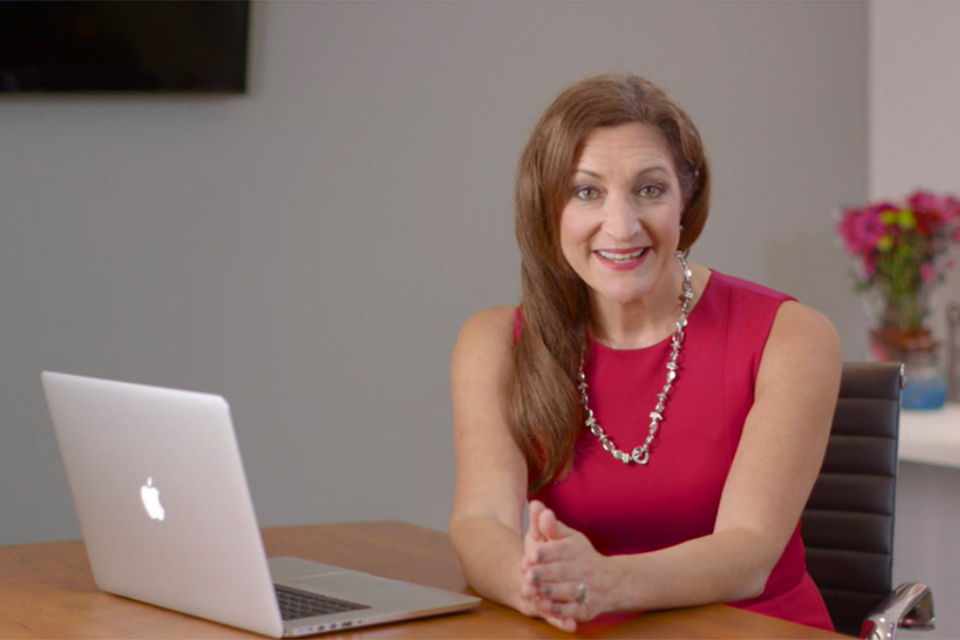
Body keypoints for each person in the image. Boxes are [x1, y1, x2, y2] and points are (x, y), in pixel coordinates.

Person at [448, 73, 842, 633]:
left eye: (650, 189)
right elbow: (478, 519)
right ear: (548, 205)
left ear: (687, 196)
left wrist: (605, 583)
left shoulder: (792, 336)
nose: (621, 225)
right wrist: (531, 584)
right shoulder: (494, 344)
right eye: (587, 192)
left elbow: (750, 552)